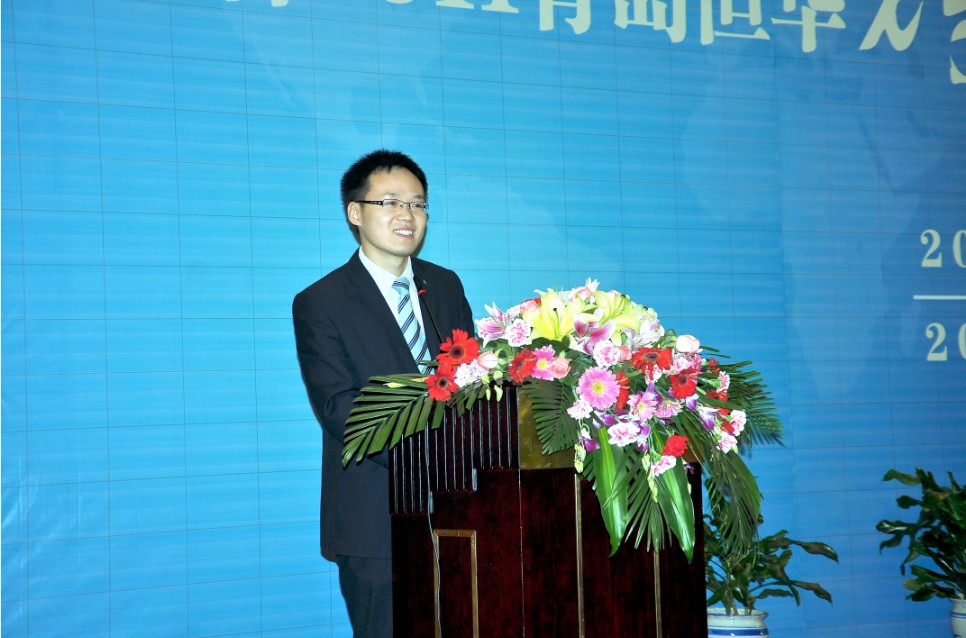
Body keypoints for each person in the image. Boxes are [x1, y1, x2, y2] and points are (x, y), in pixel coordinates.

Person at [292, 149, 475, 637]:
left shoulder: (444, 285)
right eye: (391, 202)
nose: (406, 214)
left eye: (417, 204)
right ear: (355, 213)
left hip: (462, 511)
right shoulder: (321, 302)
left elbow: (472, 381)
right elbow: (340, 409)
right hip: (375, 518)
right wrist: (434, 454)